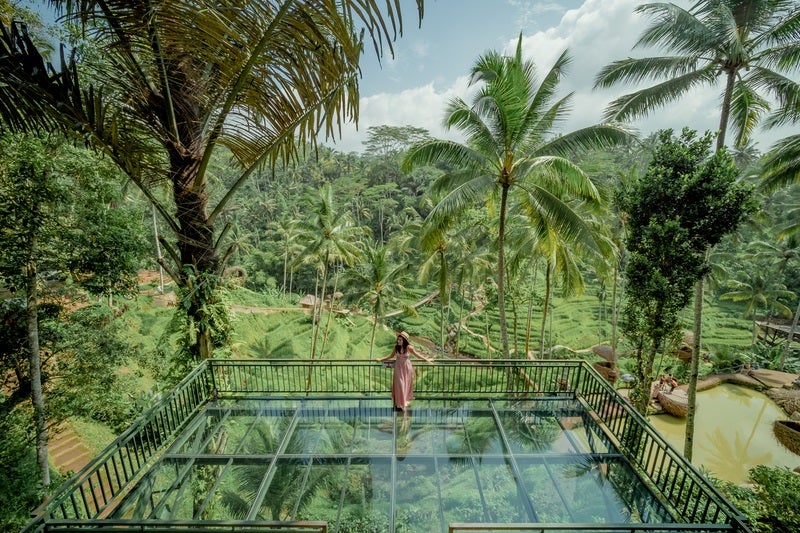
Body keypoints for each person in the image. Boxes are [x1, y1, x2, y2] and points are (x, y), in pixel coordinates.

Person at [377, 331, 433, 411]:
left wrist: (426, 359)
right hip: (398, 368)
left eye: (400, 340)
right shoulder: (396, 347)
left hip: (406, 368)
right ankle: (398, 403)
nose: (398, 341)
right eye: (398, 340)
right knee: (399, 384)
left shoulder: (409, 347)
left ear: (404, 341)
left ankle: (402, 403)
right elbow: (390, 356)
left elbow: (417, 355)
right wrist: (380, 359)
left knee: (405, 385)